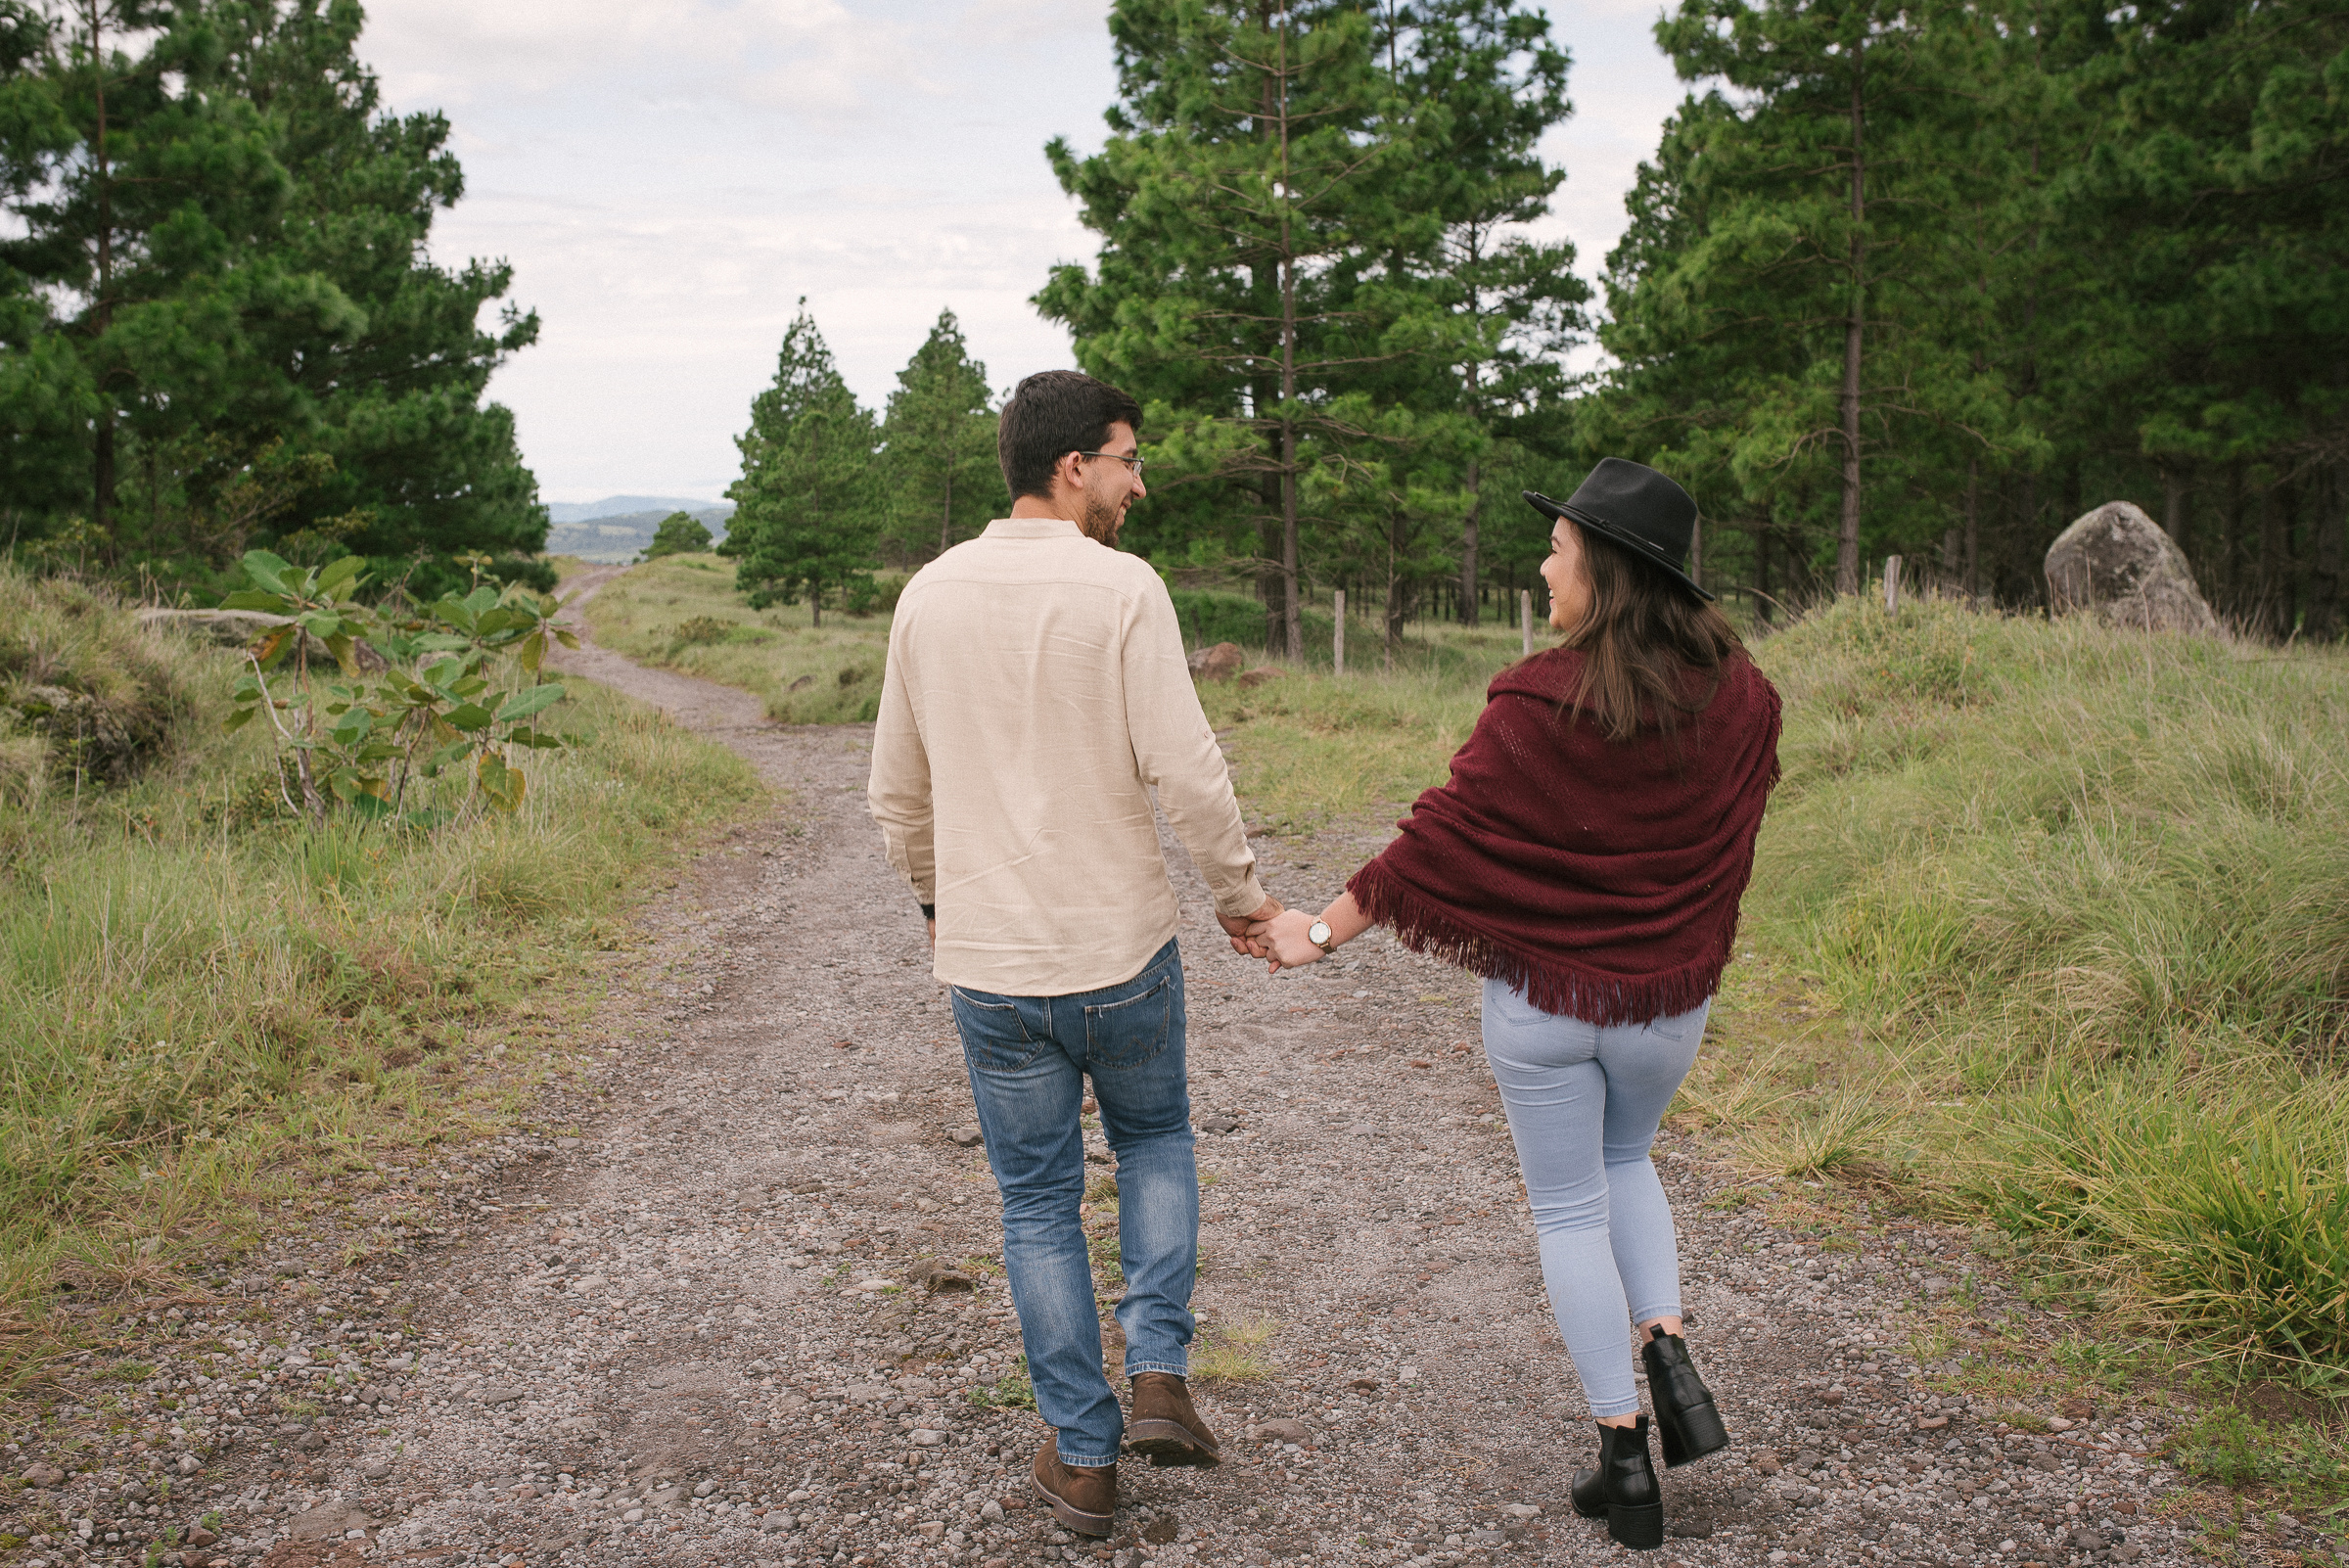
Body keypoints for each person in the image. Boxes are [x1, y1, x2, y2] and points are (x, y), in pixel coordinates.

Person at [1252, 459, 1781, 1551]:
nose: (1544, 566)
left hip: (1546, 1007)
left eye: (1560, 550)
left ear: (1609, 572)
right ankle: (1671, 1358)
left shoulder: (1539, 699)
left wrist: (1314, 935)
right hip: (1666, 1004)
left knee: (1571, 1213)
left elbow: (1438, 836)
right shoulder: (1745, 700)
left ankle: (1626, 1461)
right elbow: (1722, 847)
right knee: (1628, 1162)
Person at [867, 370, 1284, 1540]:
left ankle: (1085, 1456)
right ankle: (1159, 1377)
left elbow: (897, 797)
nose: (1136, 484)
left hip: (995, 966)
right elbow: (1189, 769)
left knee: (1039, 1203)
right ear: (1072, 468)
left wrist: (939, 905)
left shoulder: (928, 598)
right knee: (1154, 1139)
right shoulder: (1122, 592)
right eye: (1128, 460)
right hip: (1123, 952)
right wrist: (1240, 899)